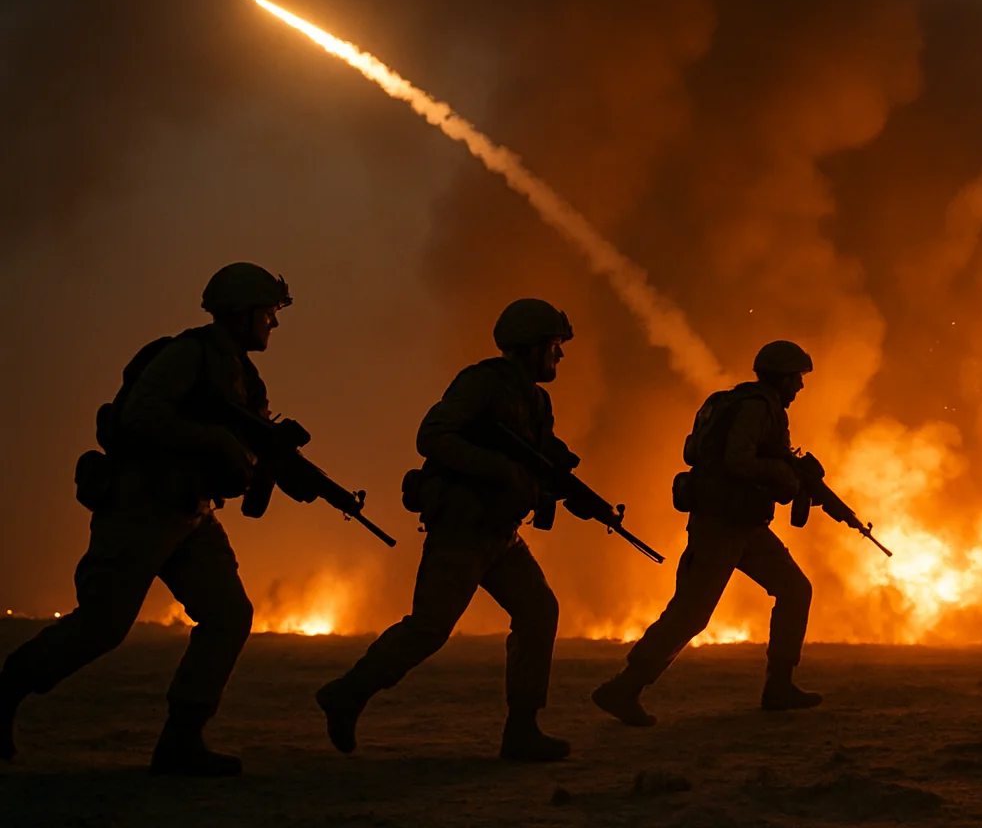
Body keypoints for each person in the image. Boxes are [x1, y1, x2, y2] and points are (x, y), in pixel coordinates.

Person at [0, 262, 292, 775]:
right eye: (267, 311)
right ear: (239, 312)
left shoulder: (246, 377)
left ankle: (182, 740)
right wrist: (213, 440)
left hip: (193, 513)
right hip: (141, 507)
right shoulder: (187, 355)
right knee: (102, 626)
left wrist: (269, 462)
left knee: (228, 615)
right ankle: (5, 692)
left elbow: (248, 446)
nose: (273, 321)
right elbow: (140, 414)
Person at [316, 299, 572, 761]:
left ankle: (522, 728)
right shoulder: (481, 383)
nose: (559, 354)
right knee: (429, 628)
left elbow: (537, 453)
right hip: (462, 528)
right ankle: (347, 693)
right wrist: (501, 470)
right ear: (531, 346)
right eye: (554, 344)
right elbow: (433, 435)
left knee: (538, 611)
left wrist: (555, 472)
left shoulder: (536, 400)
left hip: (500, 532)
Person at [592, 340, 819, 727]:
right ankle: (624, 687)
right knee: (691, 612)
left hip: (745, 525)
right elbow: (737, 459)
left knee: (795, 589)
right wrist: (783, 474)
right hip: (720, 525)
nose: (799, 386)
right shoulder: (757, 408)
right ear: (782, 377)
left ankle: (779, 686)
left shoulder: (743, 404)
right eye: (797, 377)